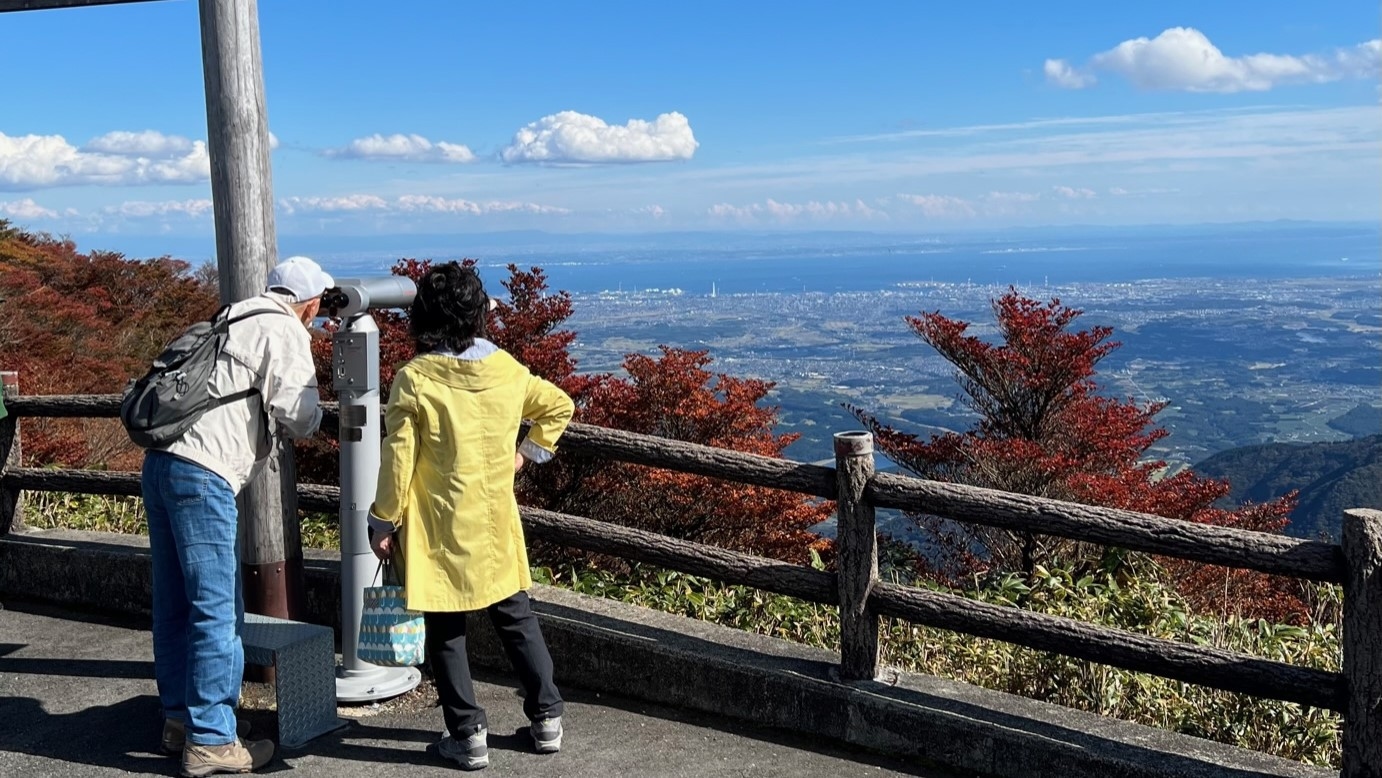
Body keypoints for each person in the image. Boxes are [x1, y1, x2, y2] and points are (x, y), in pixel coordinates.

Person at [368, 262, 574, 771]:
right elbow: (559, 406)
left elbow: (398, 460)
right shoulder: (506, 369)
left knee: (446, 629)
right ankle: (547, 718)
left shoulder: (414, 380)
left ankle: (467, 732)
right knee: (516, 616)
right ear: (480, 313)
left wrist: (382, 520)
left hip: (439, 524)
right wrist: (523, 455)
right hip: (494, 521)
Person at [142, 255, 331, 777]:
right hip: (205, 475)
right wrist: (317, 414)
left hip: (161, 465)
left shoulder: (231, 315)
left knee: (175, 603)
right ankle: (211, 741)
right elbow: (298, 413)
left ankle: (182, 720)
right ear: (308, 304)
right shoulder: (284, 330)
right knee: (217, 608)